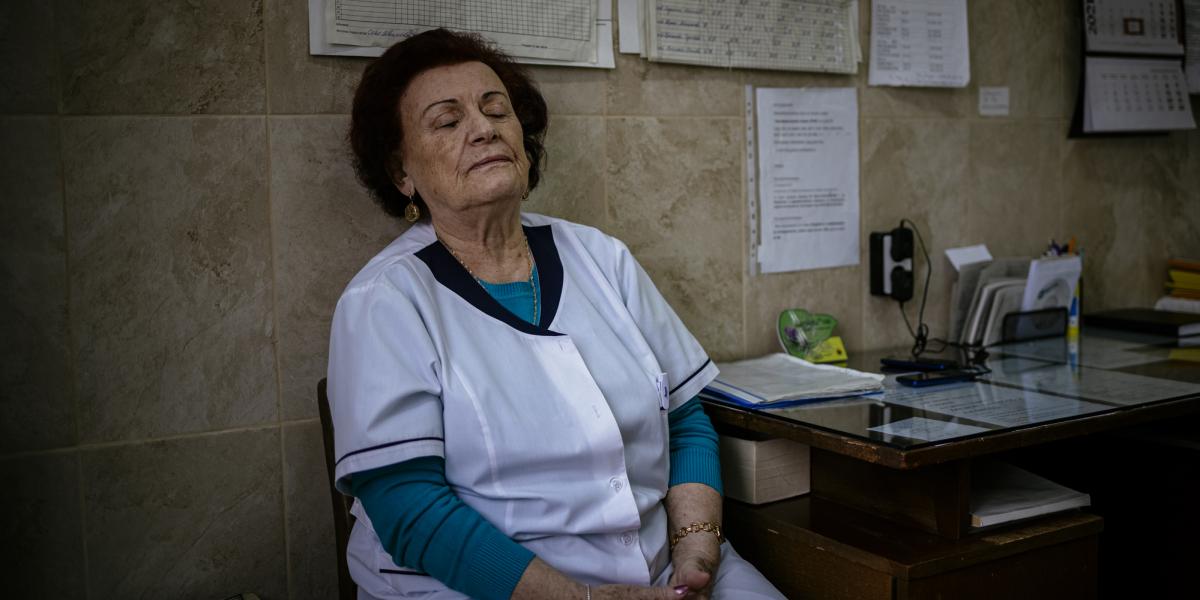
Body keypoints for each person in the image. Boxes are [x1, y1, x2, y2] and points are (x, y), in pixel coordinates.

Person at [328, 28, 786, 600]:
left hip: (668, 570)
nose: (485, 127)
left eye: (497, 109)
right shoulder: (384, 301)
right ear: (402, 173)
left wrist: (696, 549)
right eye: (448, 121)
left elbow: (685, 421)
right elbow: (409, 508)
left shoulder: (601, 257)